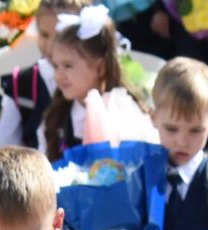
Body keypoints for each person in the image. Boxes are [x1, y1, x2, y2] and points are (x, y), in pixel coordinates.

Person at [38, 4, 150, 160]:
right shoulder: (56, 117)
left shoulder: (124, 112)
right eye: (56, 66)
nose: (58, 75)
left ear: (101, 67)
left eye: (68, 66)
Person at [149, 57, 208, 230]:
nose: (182, 141)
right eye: (171, 129)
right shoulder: (138, 178)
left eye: (196, 130)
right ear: (153, 117)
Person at [0, 0, 82, 150]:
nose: (50, 45)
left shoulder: (93, 77)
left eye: (61, 34)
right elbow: (2, 148)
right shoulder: (21, 84)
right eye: (44, 35)